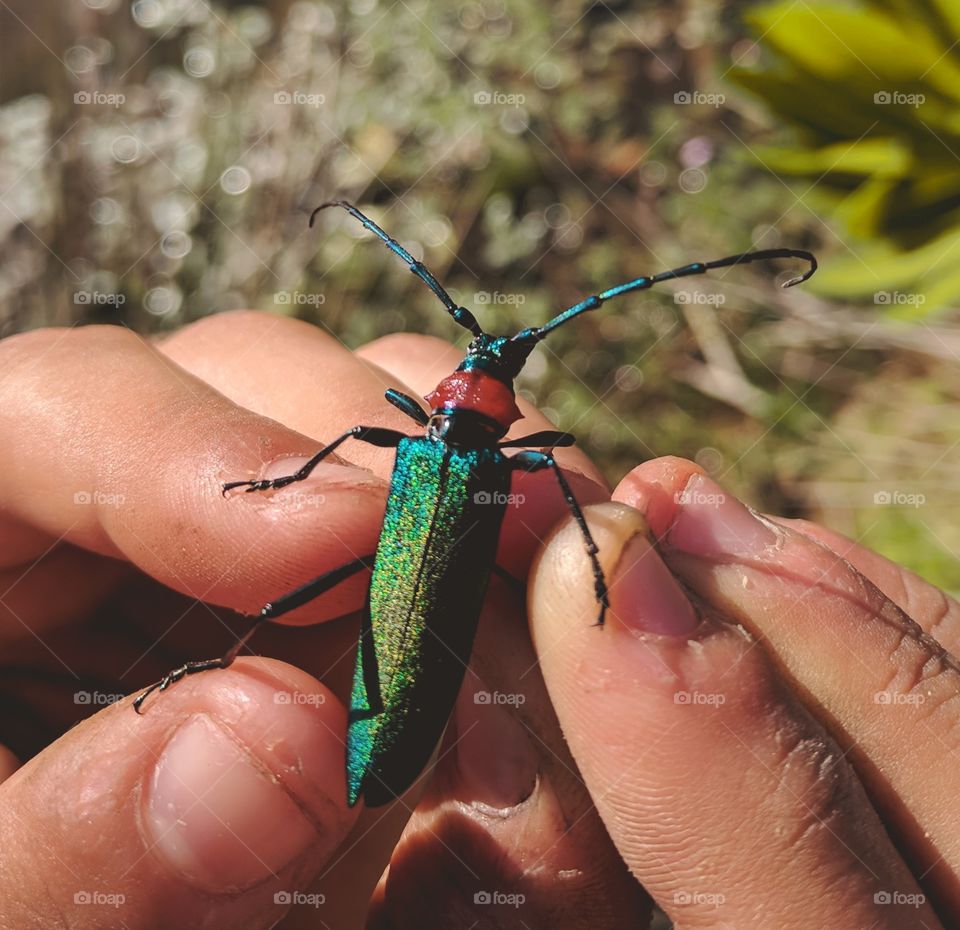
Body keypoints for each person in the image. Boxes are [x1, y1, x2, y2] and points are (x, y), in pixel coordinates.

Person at [0, 312, 953, 928]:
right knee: (328, 570)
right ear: (483, 404)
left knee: (300, 581)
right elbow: (562, 486)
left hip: (395, 685)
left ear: (450, 399)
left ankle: (191, 666)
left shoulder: (412, 454)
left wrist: (298, 476)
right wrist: (584, 550)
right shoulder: (503, 467)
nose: (485, 362)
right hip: (400, 698)